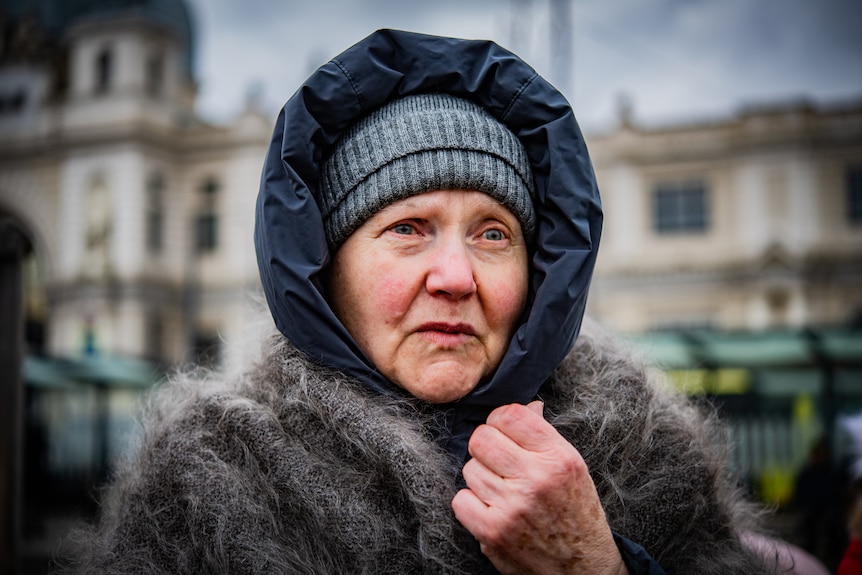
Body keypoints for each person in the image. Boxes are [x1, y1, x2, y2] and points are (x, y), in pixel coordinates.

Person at [61, 29, 776, 574]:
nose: (456, 276)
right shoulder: (208, 475)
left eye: (493, 233)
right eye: (408, 228)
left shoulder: (646, 453)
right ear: (325, 270)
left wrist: (598, 565)